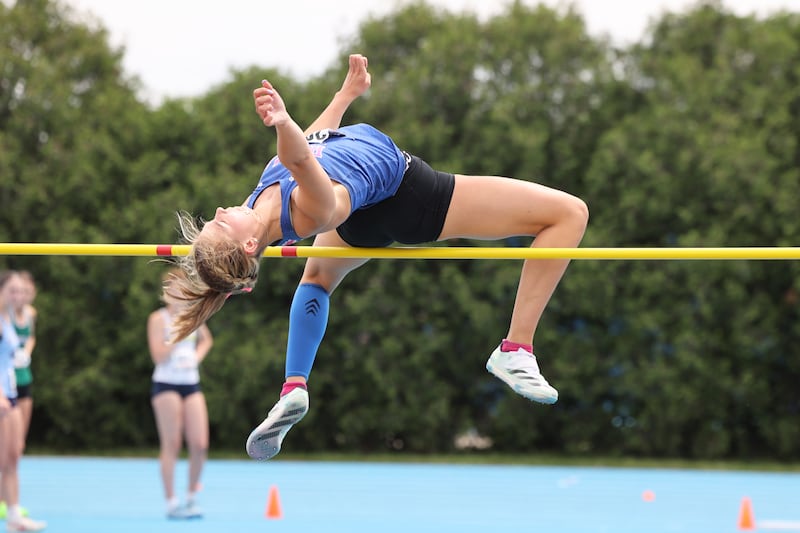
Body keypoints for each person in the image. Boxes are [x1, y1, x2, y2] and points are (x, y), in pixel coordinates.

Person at [169, 54, 589, 461]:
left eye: (214, 218)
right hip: (409, 197)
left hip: (362, 218)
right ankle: (516, 348)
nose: (221, 212)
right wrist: (282, 121)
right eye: (221, 225)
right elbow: (298, 158)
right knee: (569, 213)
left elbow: (314, 147)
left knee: (316, 281)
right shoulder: (309, 206)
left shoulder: (257, 202)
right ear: (247, 247)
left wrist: (344, 96)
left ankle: (293, 386)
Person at [147, 268, 213, 519]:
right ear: (166, 293)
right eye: (174, 289)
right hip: (166, 383)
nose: (180, 293)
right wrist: (176, 335)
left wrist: (196, 358)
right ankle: (171, 501)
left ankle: (192, 496)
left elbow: (207, 340)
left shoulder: (194, 314)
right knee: (172, 443)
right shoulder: (158, 319)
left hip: (190, 382)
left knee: (199, 443)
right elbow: (158, 356)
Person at [0, 272, 46, 531]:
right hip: (2, 396)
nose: (18, 296)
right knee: (3, 457)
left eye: (21, 291)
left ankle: (14, 514)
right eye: (12, 290)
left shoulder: (11, 318)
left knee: (12, 456)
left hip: (12, 393)